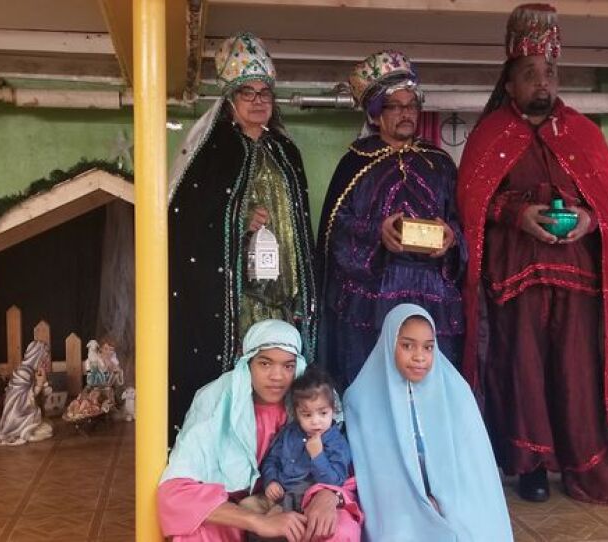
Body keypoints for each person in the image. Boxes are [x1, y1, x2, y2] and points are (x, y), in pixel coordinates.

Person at [457, 3, 608, 504]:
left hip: (577, 279)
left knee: (577, 372)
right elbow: (472, 203)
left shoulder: (584, 133)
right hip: (515, 280)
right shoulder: (489, 136)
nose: (542, 83)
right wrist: (516, 214)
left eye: (549, 73)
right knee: (522, 371)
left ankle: (581, 463)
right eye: (530, 74)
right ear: (509, 83)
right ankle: (529, 465)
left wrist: (590, 219)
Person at [167, 32, 318, 438]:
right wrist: (236, 223)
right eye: (247, 93)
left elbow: (300, 226)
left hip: (281, 300)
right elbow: (188, 223)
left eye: (264, 92)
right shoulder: (210, 154)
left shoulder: (286, 152)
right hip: (232, 302)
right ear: (230, 100)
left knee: (280, 386)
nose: (258, 100)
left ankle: (281, 462)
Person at [316, 50, 466, 390]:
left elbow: (461, 224)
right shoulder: (355, 164)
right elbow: (335, 233)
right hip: (371, 303)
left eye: (411, 105)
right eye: (395, 106)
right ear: (375, 114)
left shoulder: (440, 164)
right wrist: (377, 234)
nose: (405, 113)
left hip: (433, 300)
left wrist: (451, 238)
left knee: (430, 390)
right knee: (374, 389)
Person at [157, 320, 362, 542]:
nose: (277, 376)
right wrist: (259, 522)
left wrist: (328, 494)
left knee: (338, 530)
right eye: (265, 364)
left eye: (288, 366)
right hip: (236, 510)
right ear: (247, 364)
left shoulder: (312, 406)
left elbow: (345, 472)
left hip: (301, 499)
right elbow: (176, 492)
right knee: (196, 536)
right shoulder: (217, 401)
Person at [344, 304, 512, 541]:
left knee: (470, 529)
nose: (419, 356)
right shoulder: (361, 399)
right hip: (398, 504)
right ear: (388, 343)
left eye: (428, 347)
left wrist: (441, 498)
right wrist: (419, 503)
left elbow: (471, 466)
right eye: (407, 345)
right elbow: (376, 475)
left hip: (454, 497)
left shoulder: (456, 392)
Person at [241, 367, 351, 515]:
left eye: (323, 413)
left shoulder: (337, 443)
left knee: (273, 518)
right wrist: (271, 481)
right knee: (245, 506)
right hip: (279, 495)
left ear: (333, 409)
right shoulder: (290, 433)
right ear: (296, 413)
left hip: (305, 502)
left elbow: (335, 482)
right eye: (307, 415)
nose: (315, 421)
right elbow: (271, 460)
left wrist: (318, 456)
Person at [0, 340, 53, 446]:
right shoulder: (23, 372)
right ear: (36, 356)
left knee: (48, 427)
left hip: (26, 415)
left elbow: (37, 397)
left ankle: (30, 430)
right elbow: (22, 399)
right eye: (45, 357)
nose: (46, 360)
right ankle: (23, 432)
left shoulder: (32, 371)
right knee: (46, 430)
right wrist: (39, 384)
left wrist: (42, 383)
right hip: (18, 418)